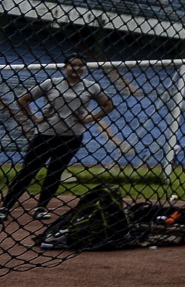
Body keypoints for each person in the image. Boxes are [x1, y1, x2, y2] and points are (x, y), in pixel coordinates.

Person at [4, 53, 114, 222]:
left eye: (81, 65)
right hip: (45, 134)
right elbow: (23, 100)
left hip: (71, 136)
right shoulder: (52, 83)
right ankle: (5, 207)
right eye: (72, 65)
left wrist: (88, 119)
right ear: (65, 67)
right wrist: (35, 118)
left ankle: (41, 208)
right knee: (28, 171)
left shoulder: (91, 87)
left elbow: (108, 104)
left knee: (55, 172)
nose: (77, 68)